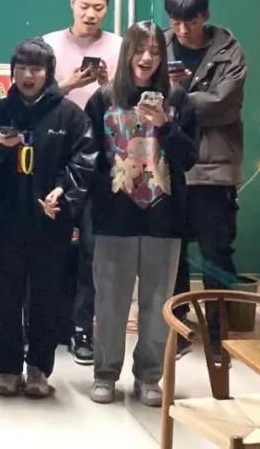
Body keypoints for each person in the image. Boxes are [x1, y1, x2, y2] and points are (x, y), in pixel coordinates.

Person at [84, 21, 198, 407]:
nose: (146, 58)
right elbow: (89, 160)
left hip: (164, 218)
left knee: (157, 302)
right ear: (126, 53)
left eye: (155, 51)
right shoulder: (102, 100)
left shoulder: (179, 100)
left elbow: (189, 158)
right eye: (139, 49)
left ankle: (149, 377)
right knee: (110, 303)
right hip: (113, 217)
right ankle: (105, 374)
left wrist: (164, 124)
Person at [0, 38, 96, 398]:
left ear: (49, 73)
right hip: (5, 219)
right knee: (7, 296)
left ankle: (38, 369)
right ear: (12, 72)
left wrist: (63, 190)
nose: (28, 76)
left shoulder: (70, 115)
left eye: (36, 69)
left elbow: (84, 162)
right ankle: (7, 368)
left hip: (51, 221)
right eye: (21, 68)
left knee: (47, 297)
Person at [42, 0, 123, 366]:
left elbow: (129, 103)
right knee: (50, 246)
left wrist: (110, 86)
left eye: (100, 7)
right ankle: (47, 325)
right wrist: (67, 84)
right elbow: (30, 99)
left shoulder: (120, 47)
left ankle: (81, 329)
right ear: (71, 2)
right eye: (86, 6)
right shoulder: (48, 45)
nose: (92, 14)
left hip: (104, 160)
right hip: (55, 156)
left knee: (93, 249)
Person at [164, 0, 247, 359]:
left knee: (216, 255)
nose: (183, 30)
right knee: (171, 254)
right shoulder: (158, 45)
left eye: (191, 21)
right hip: (167, 166)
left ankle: (218, 338)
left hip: (214, 168)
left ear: (205, 16)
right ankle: (177, 332)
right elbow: (140, 91)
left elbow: (223, 104)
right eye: (176, 22)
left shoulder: (229, 51)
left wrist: (173, 97)